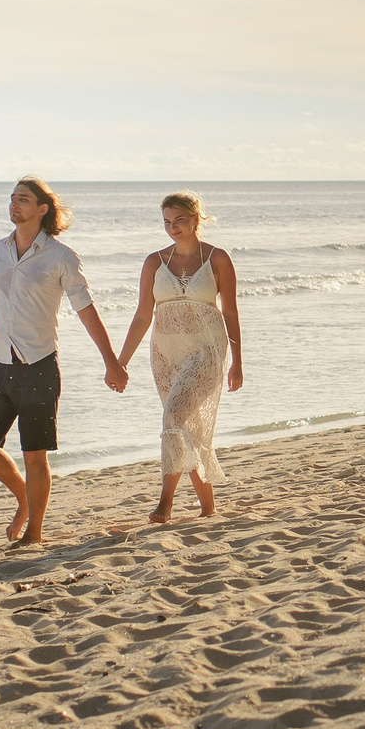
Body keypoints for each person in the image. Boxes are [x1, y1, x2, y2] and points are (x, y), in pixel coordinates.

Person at [0, 177, 126, 544]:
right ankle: (24, 498)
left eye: (23, 199)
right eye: (12, 198)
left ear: (42, 209)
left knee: (34, 455)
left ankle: (34, 531)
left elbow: (85, 309)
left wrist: (111, 362)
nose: (14, 204)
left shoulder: (61, 257)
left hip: (38, 364)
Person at [113, 191, 243, 522]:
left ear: (196, 220)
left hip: (207, 352)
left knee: (172, 419)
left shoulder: (218, 259)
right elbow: (143, 315)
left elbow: (230, 312)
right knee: (185, 425)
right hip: (165, 355)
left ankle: (165, 505)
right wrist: (120, 362)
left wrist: (237, 362)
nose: (173, 228)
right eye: (167, 222)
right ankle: (208, 507)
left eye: (179, 221)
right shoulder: (155, 262)